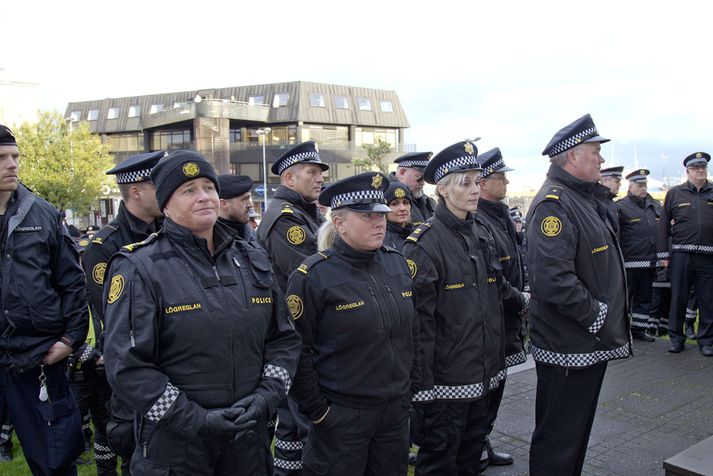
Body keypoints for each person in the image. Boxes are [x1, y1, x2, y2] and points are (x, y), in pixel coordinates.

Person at [103, 150, 300, 475]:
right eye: (189, 190)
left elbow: (284, 340)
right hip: (177, 446)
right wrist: (196, 419)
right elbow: (127, 368)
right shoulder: (140, 267)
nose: (204, 197)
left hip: (247, 439)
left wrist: (267, 396)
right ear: (165, 204)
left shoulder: (251, 259)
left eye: (209, 187)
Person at [286, 172, 418, 476]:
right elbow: (296, 351)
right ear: (340, 223)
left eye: (381, 214)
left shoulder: (396, 263)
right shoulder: (314, 276)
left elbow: (413, 331)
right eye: (367, 215)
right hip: (342, 417)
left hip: (394, 413)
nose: (380, 222)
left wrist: (411, 388)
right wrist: (319, 412)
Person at [526, 114, 631, 475]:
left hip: (583, 342)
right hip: (569, 344)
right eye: (595, 151)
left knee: (575, 436)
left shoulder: (579, 198)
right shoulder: (554, 204)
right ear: (572, 156)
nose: (601, 160)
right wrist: (598, 316)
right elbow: (552, 280)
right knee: (559, 441)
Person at [404, 140, 509, 475]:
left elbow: (492, 296)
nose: (475, 190)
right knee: (438, 463)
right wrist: (422, 389)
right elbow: (417, 325)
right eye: (466, 183)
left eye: (477, 181)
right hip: (445, 385)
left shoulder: (480, 233)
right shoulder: (425, 244)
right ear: (444, 190)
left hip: (483, 374)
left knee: (469, 460)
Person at [0, 124, 88, 475]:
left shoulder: (42, 214)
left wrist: (71, 339)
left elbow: (72, 281)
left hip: (37, 357)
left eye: (15, 157)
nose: (12, 165)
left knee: (54, 460)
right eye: (2, 158)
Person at [82, 150, 165, 474]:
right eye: (159, 184)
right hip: (134, 361)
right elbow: (110, 312)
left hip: (173, 354)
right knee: (134, 447)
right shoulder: (105, 246)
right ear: (136, 191)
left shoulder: (170, 230)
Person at [257, 140, 328, 474]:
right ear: (289, 179)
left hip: (295, 331)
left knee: (293, 422)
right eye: (312, 173)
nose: (319, 180)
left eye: (319, 173)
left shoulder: (299, 212)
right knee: (306, 420)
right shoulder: (286, 219)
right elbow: (315, 273)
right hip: (297, 332)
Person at [475, 147, 530, 472]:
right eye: (500, 177)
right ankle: (477, 447)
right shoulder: (481, 219)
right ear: (482, 183)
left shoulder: (498, 213)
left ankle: (483, 441)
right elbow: (493, 279)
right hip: (494, 320)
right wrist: (521, 299)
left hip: (506, 321)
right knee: (487, 391)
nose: (506, 181)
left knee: (496, 388)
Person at [657, 152, 713, 356]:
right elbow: (663, 226)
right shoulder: (675, 193)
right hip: (681, 256)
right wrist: (663, 254)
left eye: (703, 167)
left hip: (708, 257)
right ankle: (676, 338)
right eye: (696, 168)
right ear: (687, 171)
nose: (700, 171)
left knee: (708, 301)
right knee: (678, 299)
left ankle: (706, 341)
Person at [616, 169, 662, 342]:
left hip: (649, 262)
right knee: (625, 299)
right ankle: (621, 331)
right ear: (630, 186)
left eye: (645, 185)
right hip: (629, 263)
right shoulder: (621, 206)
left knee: (645, 299)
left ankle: (638, 330)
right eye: (640, 185)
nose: (643, 189)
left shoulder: (654, 205)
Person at [390, 152, 435, 225]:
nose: (423, 183)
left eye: (424, 179)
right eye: (419, 178)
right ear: (402, 173)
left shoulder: (427, 201)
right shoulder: (384, 196)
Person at [217, 174, 259, 245]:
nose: (250, 205)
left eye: (249, 198)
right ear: (223, 203)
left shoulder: (250, 234)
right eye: (244, 199)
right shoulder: (212, 239)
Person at [383, 181, 413, 252]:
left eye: (405, 203)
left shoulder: (418, 234)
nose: (402, 208)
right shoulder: (380, 240)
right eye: (394, 204)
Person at [599, 165, 623, 235]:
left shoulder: (612, 202)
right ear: (605, 181)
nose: (620, 184)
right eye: (617, 181)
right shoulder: (596, 202)